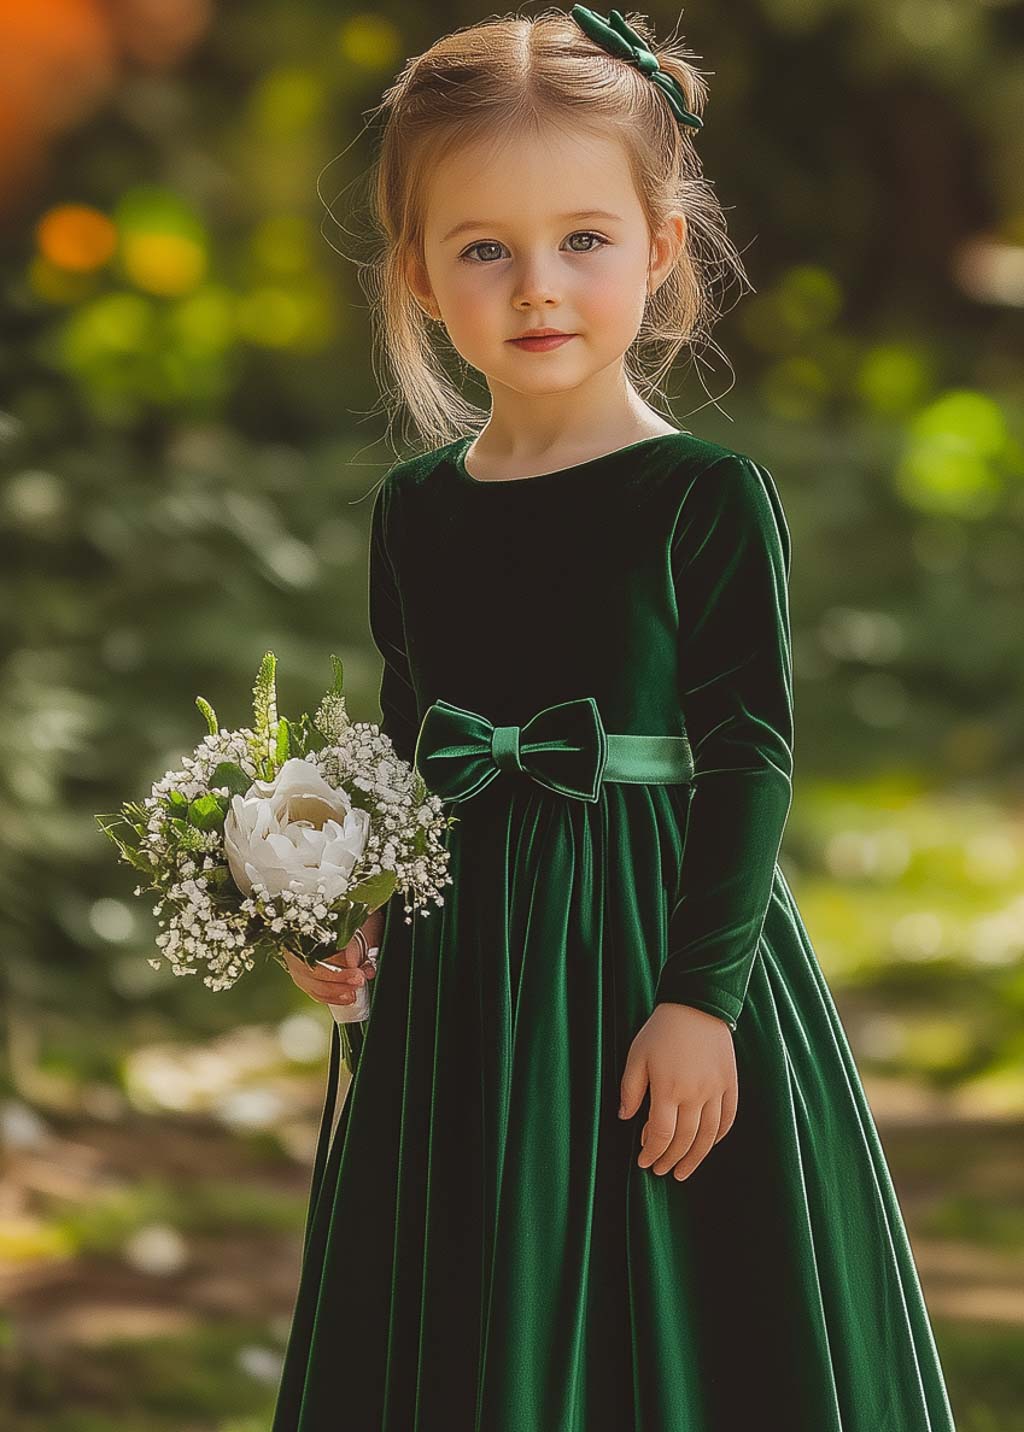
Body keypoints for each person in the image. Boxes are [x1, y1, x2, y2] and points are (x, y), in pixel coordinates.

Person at [271, 8, 958, 1429]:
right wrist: (350, 910)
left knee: (667, 1287)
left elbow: (750, 759)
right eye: (485, 249)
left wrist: (703, 1001)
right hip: (466, 980)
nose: (539, 288)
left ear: (660, 247)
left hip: (651, 946)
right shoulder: (416, 511)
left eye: (584, 238)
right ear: (417, 275)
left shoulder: (701, 498)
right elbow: (408, 749)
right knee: (472, 1276)